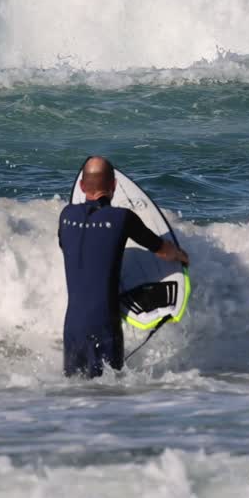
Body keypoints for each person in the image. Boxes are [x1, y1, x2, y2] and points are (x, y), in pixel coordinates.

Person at [58, 156, 189, 378]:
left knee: (74, 391)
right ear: (114, 185)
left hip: (72, 328)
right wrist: (182, 256)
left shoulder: (66, 215)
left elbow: (72, 249)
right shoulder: (122, 218)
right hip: (104, 327)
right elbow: (161, 250)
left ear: (81, 186)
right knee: (109, 392)